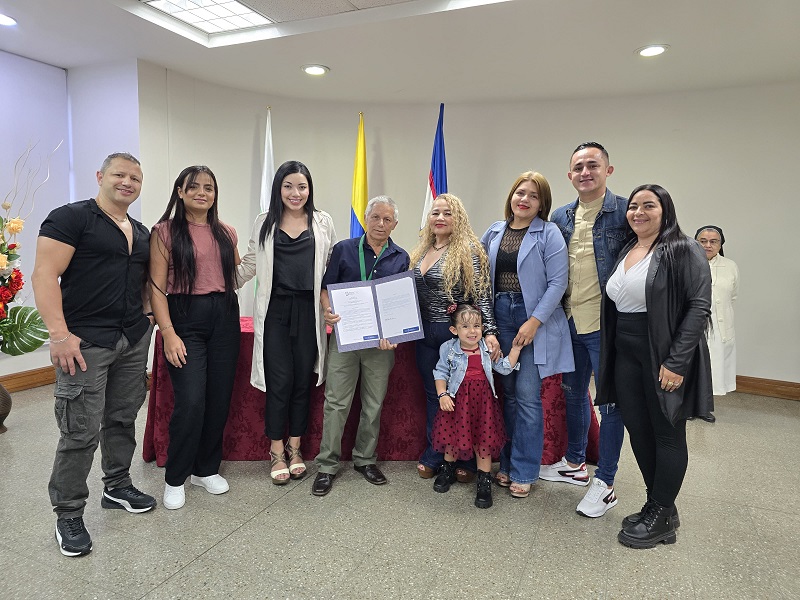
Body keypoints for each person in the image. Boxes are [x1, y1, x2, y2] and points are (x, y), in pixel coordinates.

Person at [32, 152, 156, 557]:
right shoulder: (71, 218)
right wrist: (59, 335)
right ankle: (68, 512)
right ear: (101, 176)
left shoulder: (139, 231)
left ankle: (117, 486)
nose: (127, 182)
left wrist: (149, 318)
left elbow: (142, 282)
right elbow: (44, 275)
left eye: (135, 178)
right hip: (84, 343)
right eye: (120, 174)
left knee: (122, 418)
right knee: (80, 429)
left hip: (131, 339)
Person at [597, 184, 712, 549]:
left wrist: (676, 362)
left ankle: (661, 512)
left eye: (649, 205)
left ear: (665, 211)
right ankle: (660, 506)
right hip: (626, 353)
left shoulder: (683, 248)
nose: (638, 212)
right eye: (633, 206)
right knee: (640, 430)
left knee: (667, 432)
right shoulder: (628, 249)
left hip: (662, 353)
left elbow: (698, 306)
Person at [544, 142, 631, 518]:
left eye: (593, 165)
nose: (585, 172)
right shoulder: (560, 217)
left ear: (608, 170)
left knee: (611, 403)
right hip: (569, 322)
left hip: (606, 326)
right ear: (569, 175)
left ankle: (606, 482)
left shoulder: (626, 212)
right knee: (574, 393)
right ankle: (576, 463)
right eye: (578, 167)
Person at [237, 160, 336, 485]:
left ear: (310, 190)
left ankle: (296, 448)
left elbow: (333, 268)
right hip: (276, 311)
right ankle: (276, 450)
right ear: (279, 188)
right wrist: (212, 280)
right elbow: (250, 263)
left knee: (302, 382)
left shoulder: (322, 222)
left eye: (302, 186)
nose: (296, 193)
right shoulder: (265, 221)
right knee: (279, 382)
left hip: (308, 313)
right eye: (289, 186)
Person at [150, 166, 241, 510]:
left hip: (224, 316)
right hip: (184, 317)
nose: (202, 193)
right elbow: (157, 289)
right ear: (180, 192)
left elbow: (235, 276)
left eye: (209, 188)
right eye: (195, 187)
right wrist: (169, 333)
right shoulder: (164, 232)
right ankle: (176, 477)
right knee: (190, 401)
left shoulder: (226, 232)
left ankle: (205, 470)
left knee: (218, 399)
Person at [481, 171, 574, 499]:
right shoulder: (493, 231)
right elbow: (480, 280)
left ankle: (524, 469)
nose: (524, 199)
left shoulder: (549, 233)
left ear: (541, 203)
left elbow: (557, 283)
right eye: (520, 192)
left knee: (527, 397)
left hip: (533, 320)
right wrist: (488, 328)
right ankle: (505, 464)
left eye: (533, 196)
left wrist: (533, 322)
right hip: (499, 317)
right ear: (511, 196)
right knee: (505, 393)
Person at [312, 196, 410, 496]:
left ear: (395, 224)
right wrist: (328, 310)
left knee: (373, 404)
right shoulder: (344, 249)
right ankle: (327, 465)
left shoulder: (401, 257)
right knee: (337, 402)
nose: (381, 224)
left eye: (387, 220)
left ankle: (365, 459)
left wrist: (394, 333)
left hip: (381, 345)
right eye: (376, 218)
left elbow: (400, 301)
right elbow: (326, 289)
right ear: (366, 219)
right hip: (346, 338)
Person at [410, 193, 500, 483]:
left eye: (447, 213)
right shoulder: (421, 251)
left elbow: (482, 296)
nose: (440, 218)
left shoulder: (469, 250)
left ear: (458, 218)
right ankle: (437, 453)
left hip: (456, 337)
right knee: (435, 395)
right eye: (435, 213)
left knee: (464, 398)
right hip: (424, 334)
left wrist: (489, 332)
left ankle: (467, 461)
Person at [431, 304, 522, 509]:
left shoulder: (486, 349)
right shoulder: (449, 348)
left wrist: (515, 349)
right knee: (452, 439)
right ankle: (448, 470)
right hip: (457, 402)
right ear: (454, 330)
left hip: (483, 405)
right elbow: (440, 372)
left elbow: (504, 368)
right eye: (465, 326)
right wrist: (442, 394)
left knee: (483, 442)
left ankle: (484, 481)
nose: (472, 331)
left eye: (477, 326)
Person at [695, 225, 738, 415]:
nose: (708, 245)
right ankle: (688, 407)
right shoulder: (686, 263)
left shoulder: (730, 266)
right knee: (692, 367)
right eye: (703, 241)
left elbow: (733, 295)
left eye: (714, 241)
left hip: (719, 326)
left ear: (721, 244)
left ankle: (705, 408)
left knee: (714, 368)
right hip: (694, 325)